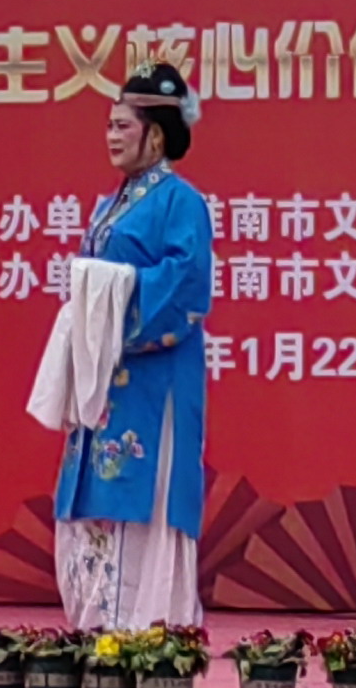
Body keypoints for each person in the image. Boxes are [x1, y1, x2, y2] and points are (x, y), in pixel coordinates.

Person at [50, 63, 215, 629]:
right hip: (104, 377)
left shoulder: (180, 202)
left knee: (145, 494)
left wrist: (108, 295)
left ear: (157, 136)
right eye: (109, 125)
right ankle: (96, 625)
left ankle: (147, 628)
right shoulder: (111, 204)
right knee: (93, 501)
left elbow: (187, 285)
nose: (111, 136)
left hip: (153, 378)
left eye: (123, 125)